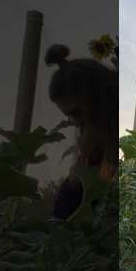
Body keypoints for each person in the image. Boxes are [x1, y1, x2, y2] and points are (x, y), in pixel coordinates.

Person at [45, 44, 118, 221]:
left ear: (98, 101)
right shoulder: (92, 143)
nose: (75, 122)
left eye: (77, 113)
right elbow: (76, 187)